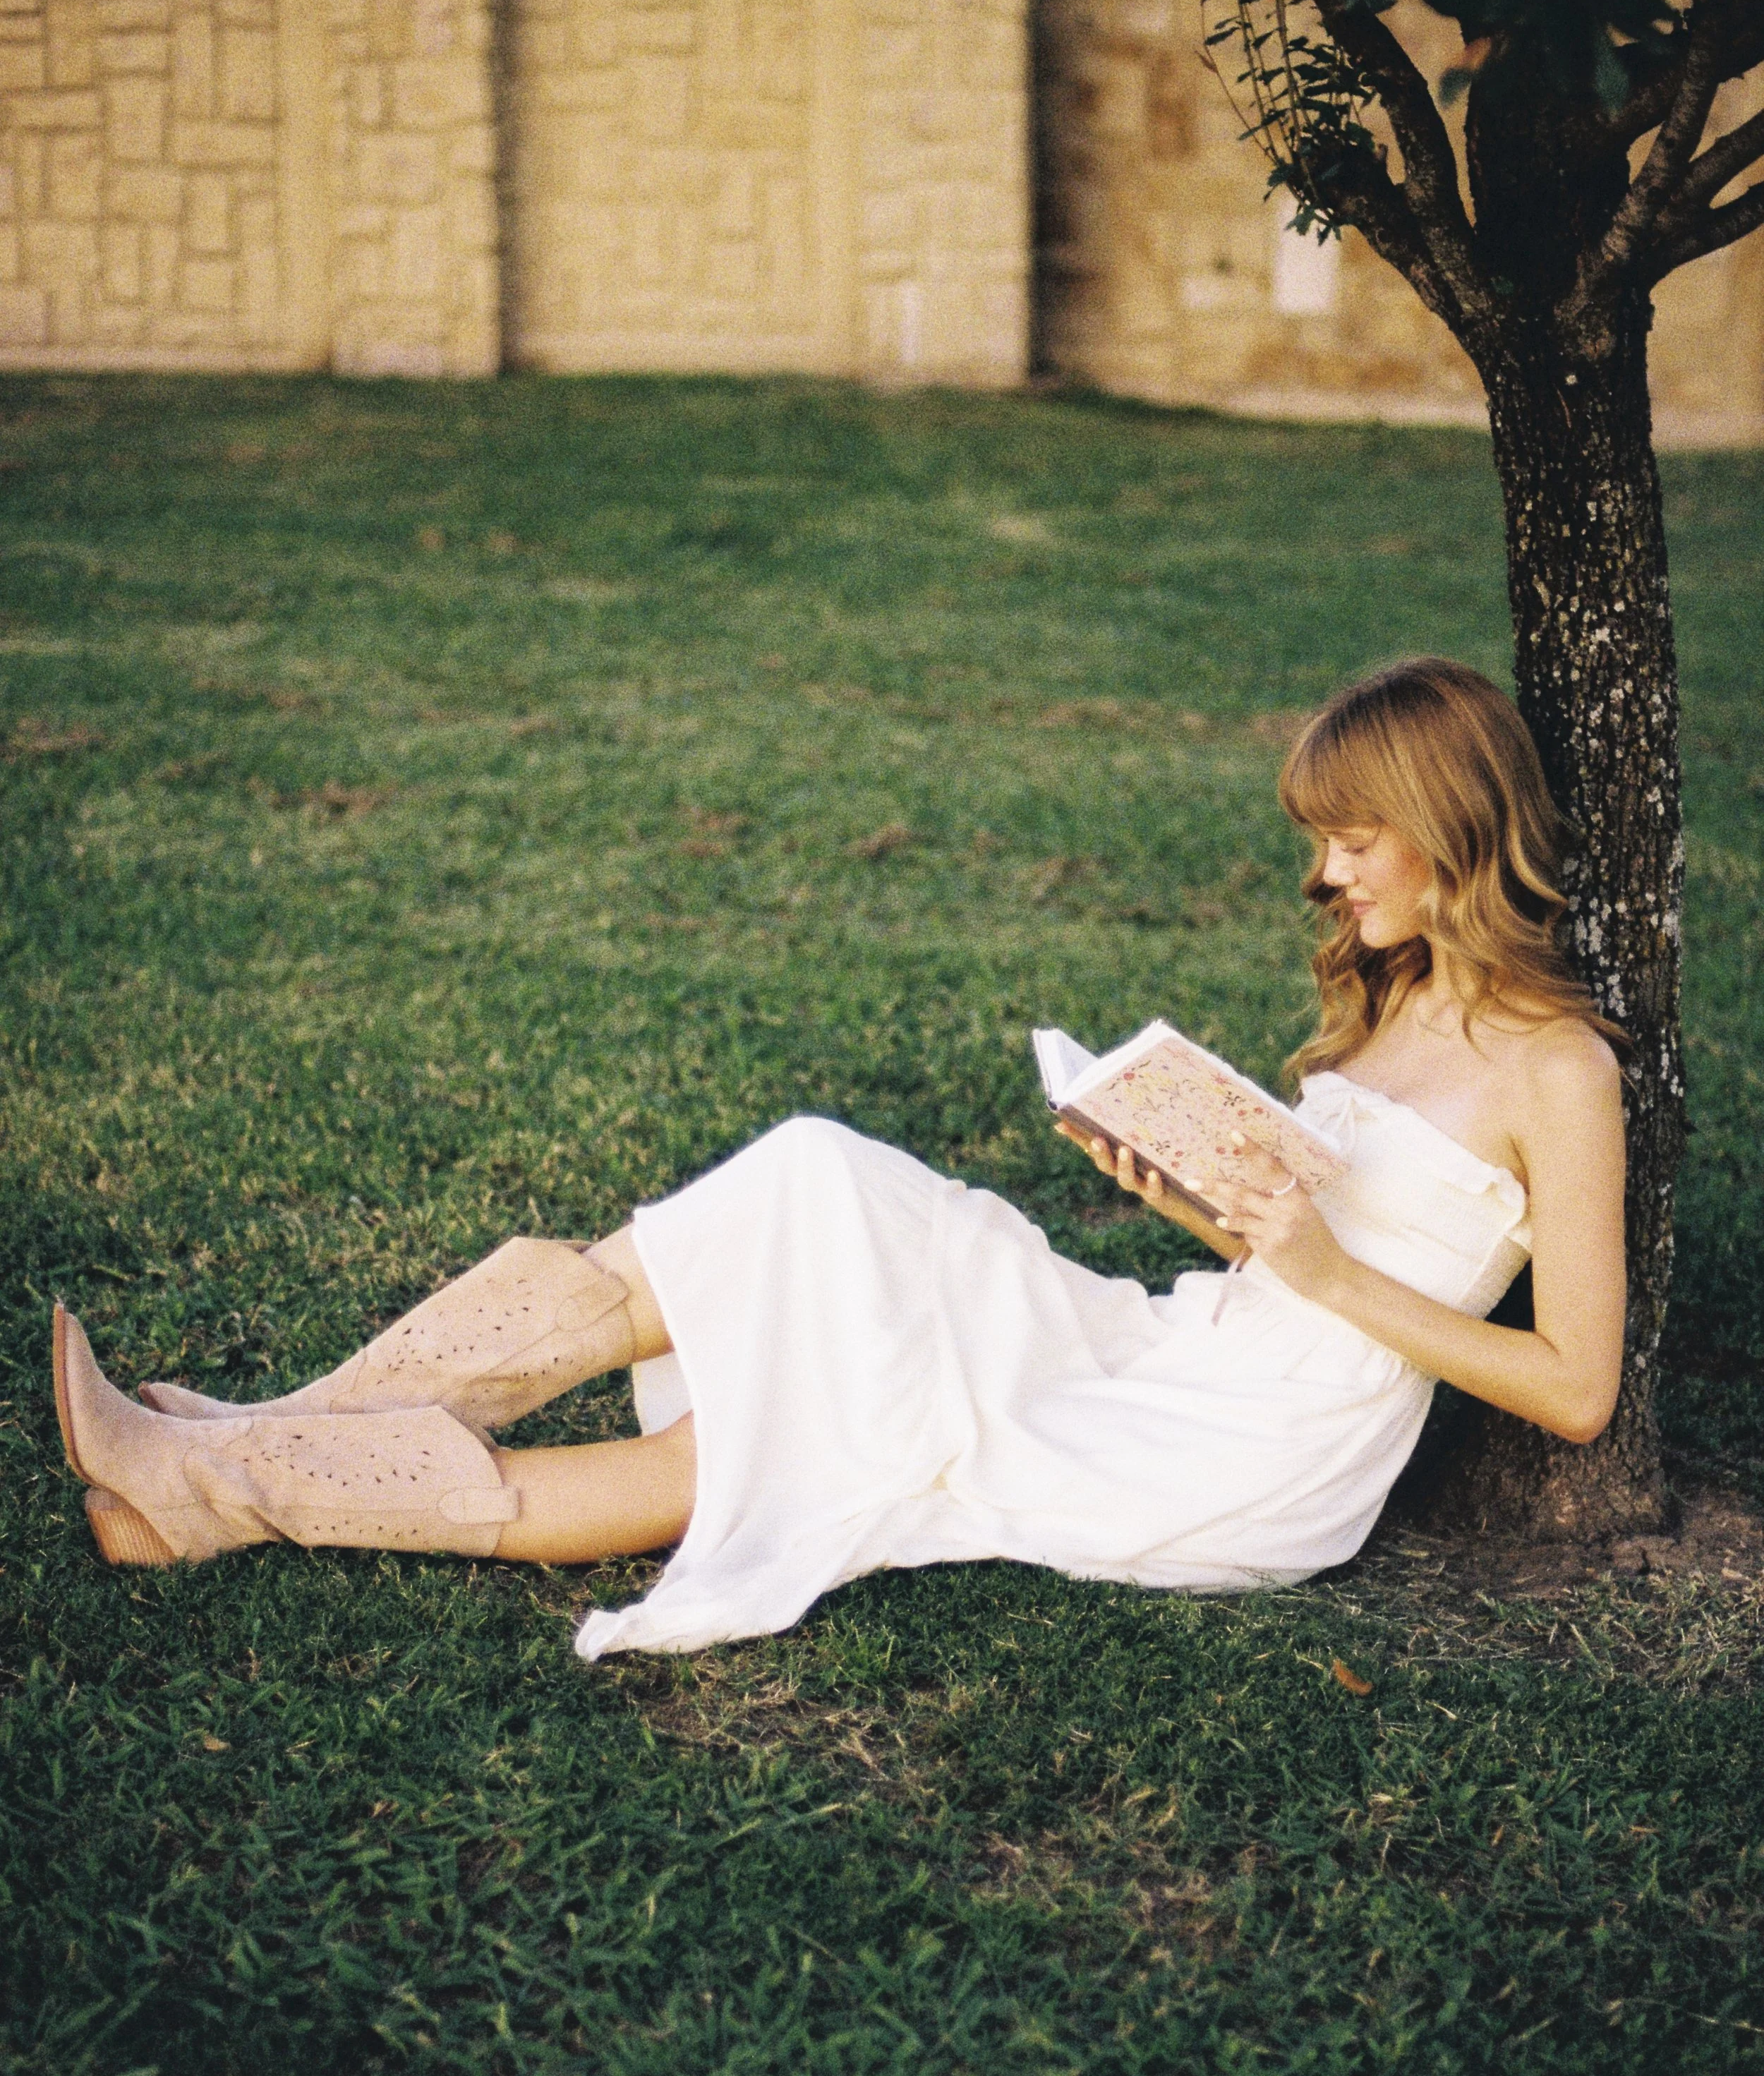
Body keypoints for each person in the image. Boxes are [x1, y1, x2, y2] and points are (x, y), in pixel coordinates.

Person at [53, 656, 1627, 1659]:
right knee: (812, 1178)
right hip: (1172, 1335)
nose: (1322, 869)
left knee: (780, 1434)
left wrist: (1314, 1265)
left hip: (1243, 1450)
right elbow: (1292, 1260)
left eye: (1353, 836)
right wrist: (1206, 1210)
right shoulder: (1393, 1006)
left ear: (1453, 822)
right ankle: (254, 1438)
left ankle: (225, 1476)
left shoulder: (1559, 1068)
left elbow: (1572, 1386)